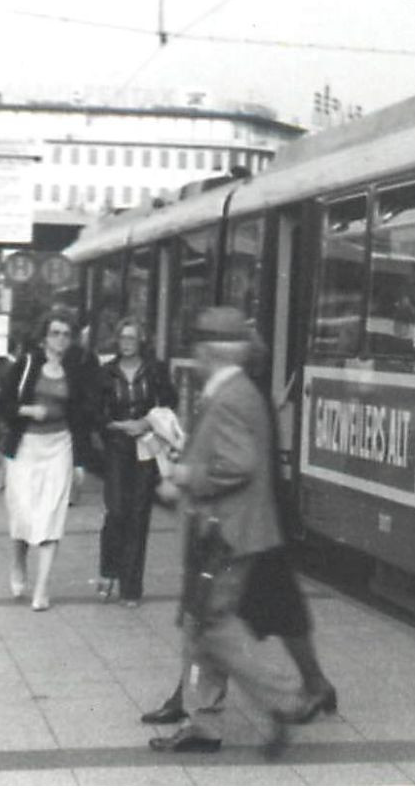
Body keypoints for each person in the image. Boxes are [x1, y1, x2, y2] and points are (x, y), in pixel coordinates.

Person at [148, 306, 313, 756]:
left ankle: (285, 699)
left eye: (197, 349)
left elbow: (237, 464)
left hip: (227, 533)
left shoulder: (230, 396)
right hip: (231, 530)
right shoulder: (236, 391)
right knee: (203, 623)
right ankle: (205, 723)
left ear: (210, 351)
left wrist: (184, 477)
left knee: (210, 626)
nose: (194, 359)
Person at [0, 309, 98, 610]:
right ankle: (18, 561)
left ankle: (41, 588)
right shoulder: (27, 363)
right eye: (55, 333)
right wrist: (29, 411)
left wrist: (81, 461)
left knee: (51, 514)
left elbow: (83, 415)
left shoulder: (77, 368)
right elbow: (3, 404)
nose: (61, 339)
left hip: (60, 445)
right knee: (23, 512)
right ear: (44, 335)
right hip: (26, 445)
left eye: (67, 334)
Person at [95, 317, 176, 606]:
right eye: (123, 338)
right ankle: (108, 570)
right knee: (116, 510)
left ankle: (131, 588)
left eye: (132, 338)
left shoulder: (155, 370)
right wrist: (117, 426)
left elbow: (169, 403)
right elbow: (95, 411)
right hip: (117, 447)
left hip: (146, 447)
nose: (127, 342)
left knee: (139, 515)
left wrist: (145, 422)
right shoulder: (106, 372)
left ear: (142, 340)